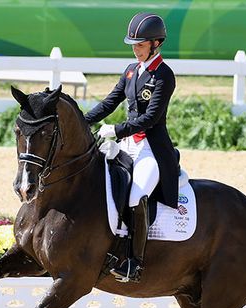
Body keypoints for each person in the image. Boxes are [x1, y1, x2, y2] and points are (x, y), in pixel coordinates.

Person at [85, 12, 179, 283]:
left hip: (151, 148)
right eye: (133, 45)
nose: (135, 50)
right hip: (127, 145)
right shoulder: (130, 70)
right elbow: (109, 103)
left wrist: (115, 129)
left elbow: (150, 118)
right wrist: (81, 120)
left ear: (156, 43)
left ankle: (134, 263)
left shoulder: (163, 75)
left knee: (136, 196)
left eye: (140, 45)